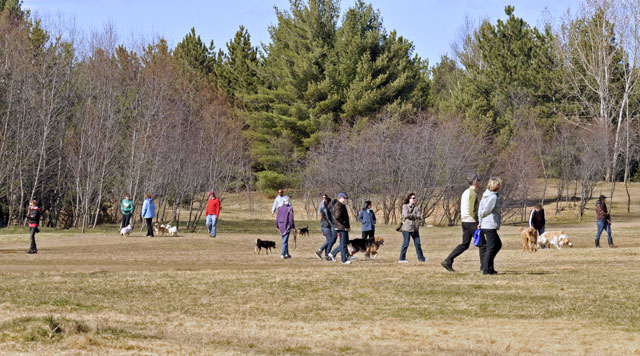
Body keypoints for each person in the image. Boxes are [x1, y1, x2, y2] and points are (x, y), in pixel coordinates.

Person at [442, 173, 480, 272]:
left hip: (465, 222)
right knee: (483, 244)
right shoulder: (473, 193)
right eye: (479, 180)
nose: (480, 182)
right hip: (472, 222)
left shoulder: (465, 192)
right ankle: (485, 268)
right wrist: (478, 221)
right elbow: (472, 210)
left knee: (465, 244)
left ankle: (448, 260)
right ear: (475, 182)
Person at [478, 177, 503, 275]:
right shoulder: (492, 197)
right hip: (490, 224)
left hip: (486, 224)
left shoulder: (485, 195)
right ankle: (486, 269)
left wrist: (480, 222)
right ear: (496, 186)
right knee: (493, 246)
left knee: (495, 245)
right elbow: (485, 210)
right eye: (499, 185)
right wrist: (482, 216)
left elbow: (480, 208)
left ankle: (490, 268)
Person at [398, 193, 426, 263]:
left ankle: (421, 258)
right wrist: (414, 215)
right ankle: (401, 258)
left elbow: (419, 216)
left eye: (415, 198)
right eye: (413, 198)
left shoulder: (417, 208)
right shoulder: (405, 206)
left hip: (415, 228)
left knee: (418, 243)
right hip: (406, 228)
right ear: (409, 199)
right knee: (406, 243)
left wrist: (412, 216)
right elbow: (406, 214)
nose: (415, 199)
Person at [328, 193, 353, 264]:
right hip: (341, 227)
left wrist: (348, 226)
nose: (345, 199)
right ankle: (344, 260)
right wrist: (344, 223)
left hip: (344, 227)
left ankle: (332, 253)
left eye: (346, 198)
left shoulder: (342, 205)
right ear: (340, 198)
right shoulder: (338, 205)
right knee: (343, 244)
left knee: (345, 243)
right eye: (344, 198)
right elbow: (337, 216)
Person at [315, 195, 335, 260]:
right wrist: (333, 225)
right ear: (329, 202)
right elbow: (329, 219)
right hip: (326, 226)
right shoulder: (326, 210)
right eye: (331, 202)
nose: (331, 203)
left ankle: (327, 255)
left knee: (328, 241)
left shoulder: (325, 208)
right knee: (330, 240)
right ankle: (319, 251)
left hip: (324, 226)